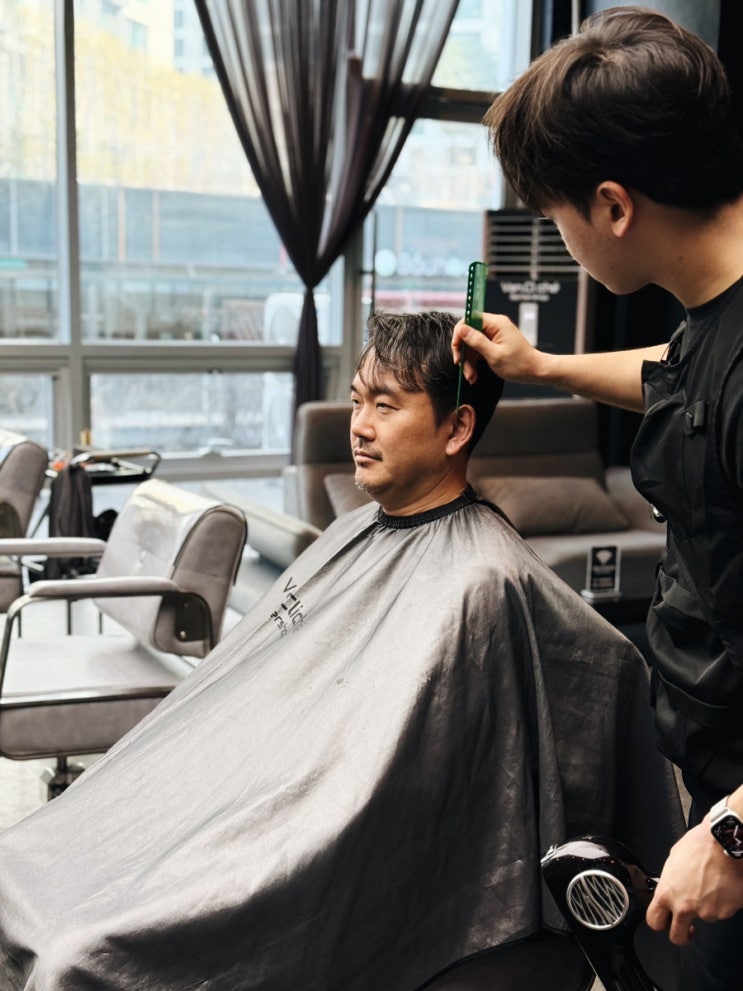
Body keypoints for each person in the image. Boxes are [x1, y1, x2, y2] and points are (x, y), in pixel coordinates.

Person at [0, 311, 681, 991]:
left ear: (456, 429)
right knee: (23, 861)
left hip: (307, 835)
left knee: (80, 952)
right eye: (357, 401)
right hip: (244, 784)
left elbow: (597, 671)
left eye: (385, 405)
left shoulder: (482, 582)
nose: (358, 426)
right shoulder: (350, 533)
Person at [450, 7, 743, 989]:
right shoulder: (717, 316)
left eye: (557, 217)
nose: (560, 238)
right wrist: (539, 365)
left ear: (612, 206)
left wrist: (733, 831)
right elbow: (678, 373)